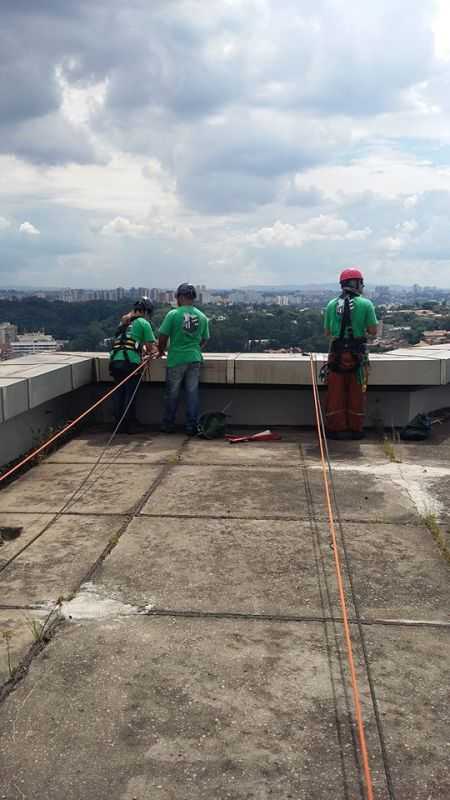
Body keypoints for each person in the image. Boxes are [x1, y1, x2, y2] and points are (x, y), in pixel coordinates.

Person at [324, 268, 378, 440]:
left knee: (335, 393)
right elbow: (372, 330)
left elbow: (327, 332)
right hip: (357, 355)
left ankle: (336, 428)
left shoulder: (331, 305)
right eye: (361, 283)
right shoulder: (366, 304)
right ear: (356, 283)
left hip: (336, 355)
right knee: (356, 393)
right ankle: (356, 429)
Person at [158, 283, 210, 435]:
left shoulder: (173, 314)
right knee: (192, 394)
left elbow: (163, 336)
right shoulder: (202, 316)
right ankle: (191, 426)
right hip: (194, 358)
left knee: (172, 394)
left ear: (179, 297)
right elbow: (205, 339)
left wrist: (161, 350)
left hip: (176, 359)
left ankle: (168, 424)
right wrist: (194, 348)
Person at [109, 297, 157, 433]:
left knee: (119, 393)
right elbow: (151, 348)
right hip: (130, 363)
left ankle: (118, 424)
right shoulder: (143, 323)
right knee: (130, 394)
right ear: (146, 311)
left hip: (115, 361)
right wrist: (155, 350)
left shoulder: (124, 322)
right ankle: (129, 425)